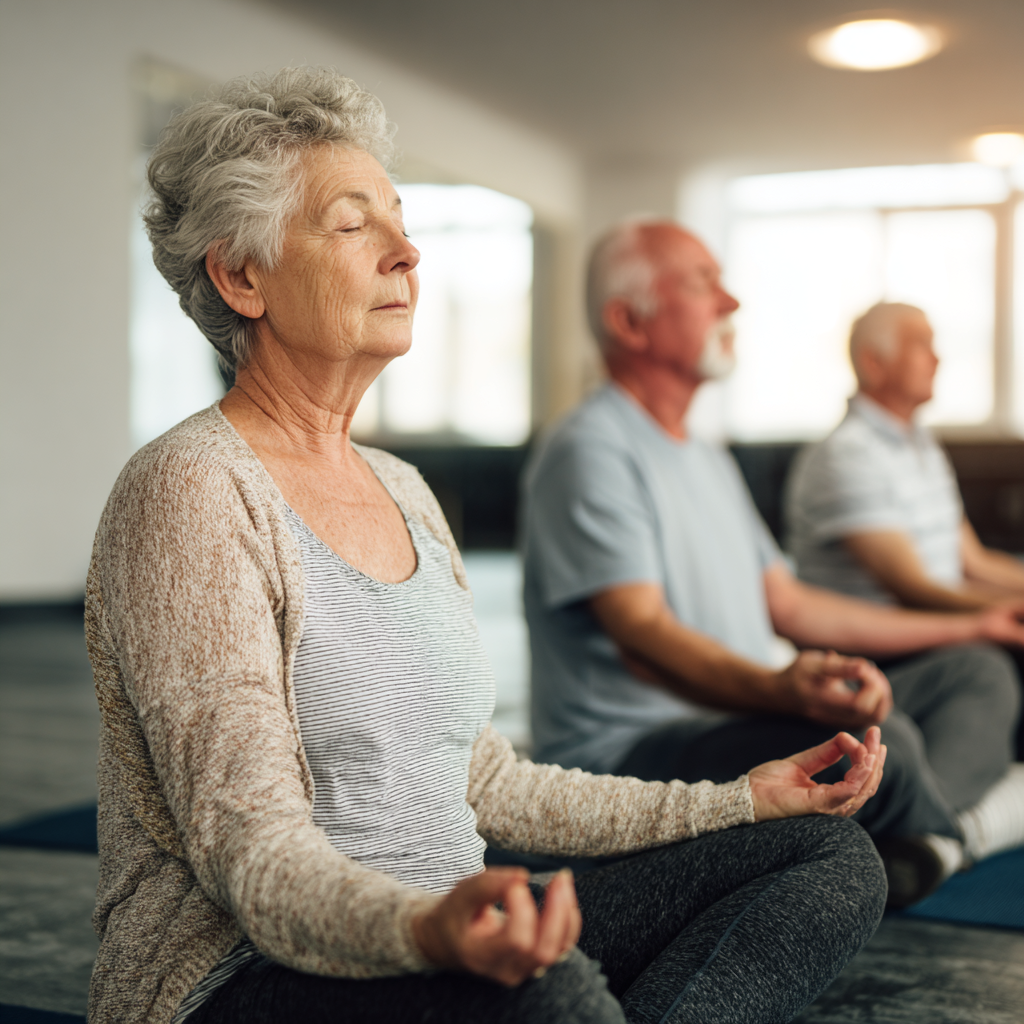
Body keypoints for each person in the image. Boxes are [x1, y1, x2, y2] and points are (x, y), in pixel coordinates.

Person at [85, 69, 887, 1024]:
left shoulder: (406, 492)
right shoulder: (188, 489)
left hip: (441, 932)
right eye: (353, 225)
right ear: (240, 276)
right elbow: (247, 850)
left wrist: (738, 801)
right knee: (547, 994)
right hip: (241, 979)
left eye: (401, 218)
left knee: (823, 853)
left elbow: (488, 782)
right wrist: (429, 933)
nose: (408, 252)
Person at [522, 219, 1024, 908]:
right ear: (628, 322)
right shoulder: (591, 448)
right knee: (882, 746)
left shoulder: (705, 454)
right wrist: (781, 689)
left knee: (976, 674)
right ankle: (960, 830)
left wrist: (975, 627)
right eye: (703, 284)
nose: (731, 302)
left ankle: (931, 843)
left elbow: (792, 606)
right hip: (636, 752)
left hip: (732, 710)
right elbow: (646, 642)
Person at [787, 302, 1024, 767]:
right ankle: (941, 823)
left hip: (931, 624)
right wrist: (1008, 613)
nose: (937, 358)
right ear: (874, 364)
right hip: (876, 649)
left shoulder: (921, 444)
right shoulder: (846, 455)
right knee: (992, 663)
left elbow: (972, 561)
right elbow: (912, 587)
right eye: (921, 344)